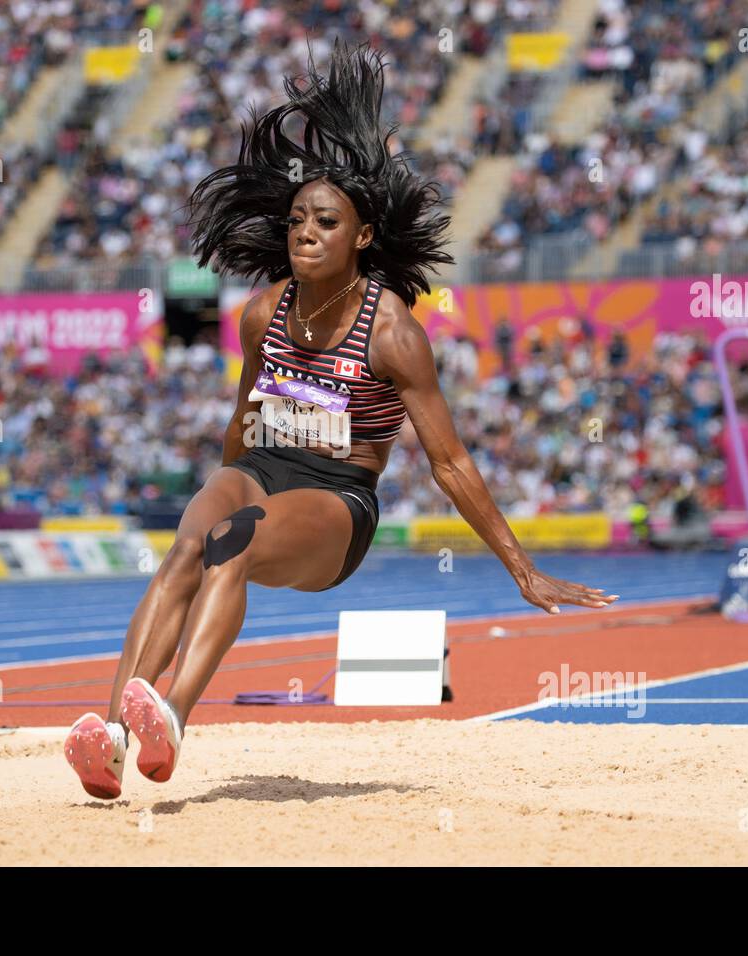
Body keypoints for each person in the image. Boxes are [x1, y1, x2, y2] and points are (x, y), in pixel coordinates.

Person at [63, 40, 619, 800]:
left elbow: (449, 463)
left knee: (232, 545)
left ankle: (172, 719)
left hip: (335, 500)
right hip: (259, 467)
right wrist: (226, 478)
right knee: (193, 541)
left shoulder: (392, 333)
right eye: (296, 221)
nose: (304, 233)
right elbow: (240, 419)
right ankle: (113, 737)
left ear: (361, 238)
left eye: (324, 222)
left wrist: (522, 569)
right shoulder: (265, 313)